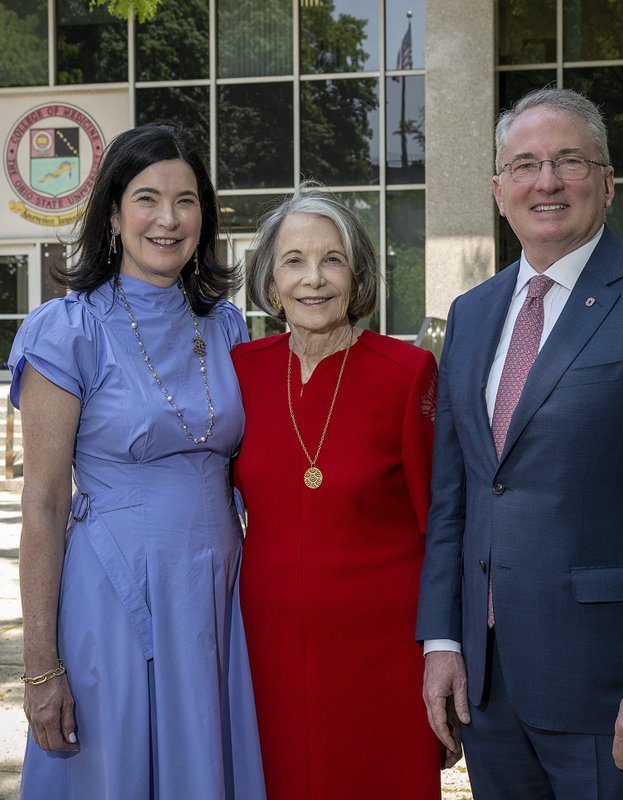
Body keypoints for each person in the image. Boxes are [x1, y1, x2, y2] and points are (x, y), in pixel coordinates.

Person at [416, 87, 623, 799]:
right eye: (526, 164)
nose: (547, 181)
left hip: (613, 691)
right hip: (490, 688)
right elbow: (457, 498)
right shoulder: (472, 316)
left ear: (607, 181)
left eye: (569, 160)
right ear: (499, 189)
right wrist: (442, 642)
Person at [8, 123, 266, 799]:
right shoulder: (66, 330)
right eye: (148, 198)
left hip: (218, 595)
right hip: (114, 594)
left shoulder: (227, 325)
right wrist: (39, 667)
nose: (169, 218)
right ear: (115, 214)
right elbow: (42, 504)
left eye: (187, 200)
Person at [232, 181, 444, 799]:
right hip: (265, 644)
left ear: (357, 277)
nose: (313, 279)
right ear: (271, 284)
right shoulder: (242, 370)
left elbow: (442, 526)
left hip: (384, 651)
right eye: (293, 261)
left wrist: (443, 651)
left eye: (332, 259)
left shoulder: (408, 375)